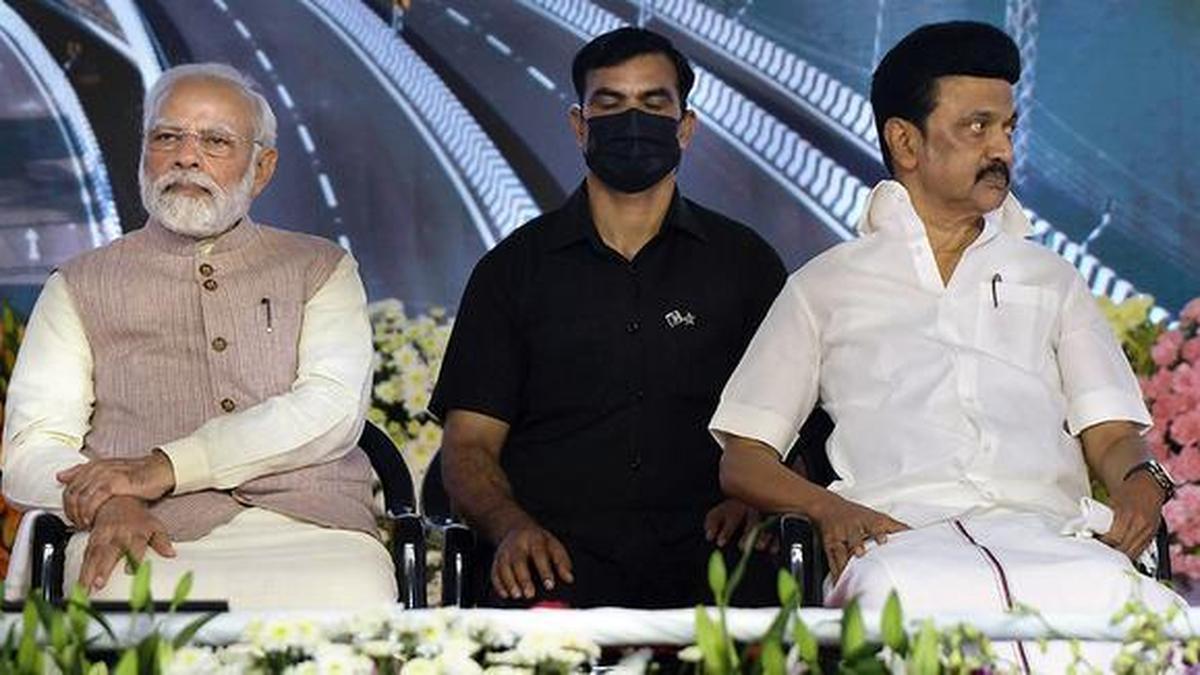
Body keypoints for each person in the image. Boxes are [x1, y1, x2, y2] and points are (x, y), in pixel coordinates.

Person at [710, 21, 1183, 671]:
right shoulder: (824, 286)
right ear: (905, 141)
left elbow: (1112, 433)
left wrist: (1140, 480)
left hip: (1054, 538)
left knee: (1133, 607)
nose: (1002, 149)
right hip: (900, 546)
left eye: (1008, 128)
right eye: (977, 127)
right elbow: (743, 459)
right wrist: (827, 508)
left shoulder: (1051, 277)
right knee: (908, 603)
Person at [1, 63, 394, 609]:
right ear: (143, 154)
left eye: (216, 141)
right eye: (167, 137)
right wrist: (106, 501)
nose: (187, 156)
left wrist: (163, 468)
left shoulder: (320, 267)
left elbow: (331, 410)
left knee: (355, 592)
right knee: (118, 594)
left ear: (262, 169)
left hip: (313, 524)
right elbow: (31, 449)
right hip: (137, 527)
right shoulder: (78, 284)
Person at [430, 27, 786, 608]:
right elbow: (468, 447)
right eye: (611, 104)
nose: (633, 121)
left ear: (685, 127)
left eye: (654, 104)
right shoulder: (512, 270)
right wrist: (511, 527)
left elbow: (792, 427)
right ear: (579, 126)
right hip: (552, 559)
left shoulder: (745, 264)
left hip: (717, 554)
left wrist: (758, 499)